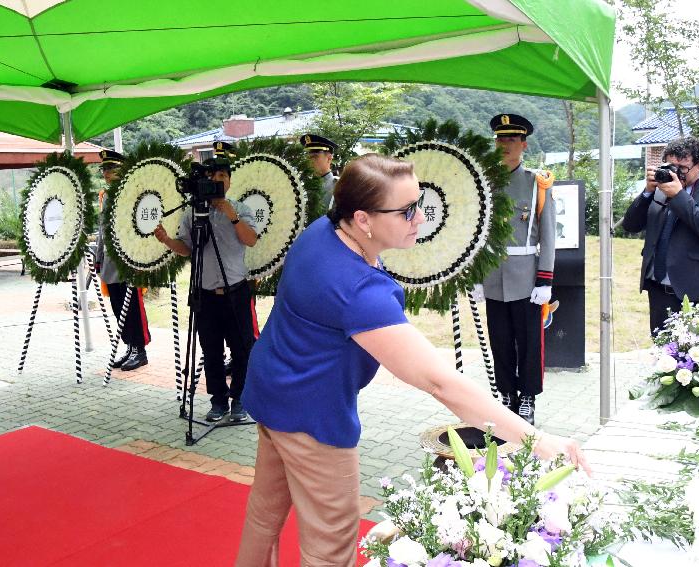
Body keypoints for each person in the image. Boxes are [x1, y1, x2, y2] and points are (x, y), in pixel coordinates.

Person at [235, 154, 588, 565]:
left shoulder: (323, 230)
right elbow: (441, 383)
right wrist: (537, 442)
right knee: (330, 545)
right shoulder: (357, 291)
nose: (420, 217)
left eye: (418, 202)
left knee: (263, 517)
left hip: (270, 391)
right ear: (364, 218)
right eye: (406, 211)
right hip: (313, 417)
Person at [153, 142, 258, 422]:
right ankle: (218, 402)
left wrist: (229, 213)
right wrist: (167, 241)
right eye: (211, 178)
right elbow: (187, 249)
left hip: (235, 291)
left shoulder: (241, 209)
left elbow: (251, 239)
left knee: (242, 349)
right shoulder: (192, 213)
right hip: (204, 294)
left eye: (222, 177)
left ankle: (240, 400)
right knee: (211, 350)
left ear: (230, 181)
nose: (216, 182)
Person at [481, 113, 556, 425]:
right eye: (500, 138)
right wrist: (475, 275)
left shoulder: (536, 184)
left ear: (523, 144)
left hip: (526, 278)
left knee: (528, 342)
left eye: (511, 139)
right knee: (499, 340)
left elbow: (549, 233)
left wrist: (545, 279)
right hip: (492, 277)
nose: (505, 145)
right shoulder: (483, 183)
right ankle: (506, 395)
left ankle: (527, 397)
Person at [621, 137, 699, 335]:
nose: (675, 173)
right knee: (662, 352)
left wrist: (679, 195)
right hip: (658, 287)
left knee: (696, 356)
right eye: (670, 166)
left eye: (682, 167)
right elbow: (631, 225)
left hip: (695, 289)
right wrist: (647, 192)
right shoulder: (660, 187)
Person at [95, 150, 152, 371]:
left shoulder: (134, 196)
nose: (107, 174)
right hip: (111, 262)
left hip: (129, 262)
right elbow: (103, 230)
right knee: (119, 307)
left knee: (133, 308)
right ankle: (129, 346)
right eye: (105, 170)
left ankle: (140, 350)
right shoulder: (108, 196)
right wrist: (99, 258)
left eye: (111, 169)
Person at [300, 133, 338, 206]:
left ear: (329, 158)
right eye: (307, 157)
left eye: (314, 156)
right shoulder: (303, 187)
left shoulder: (338, 187)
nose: (309, 161)